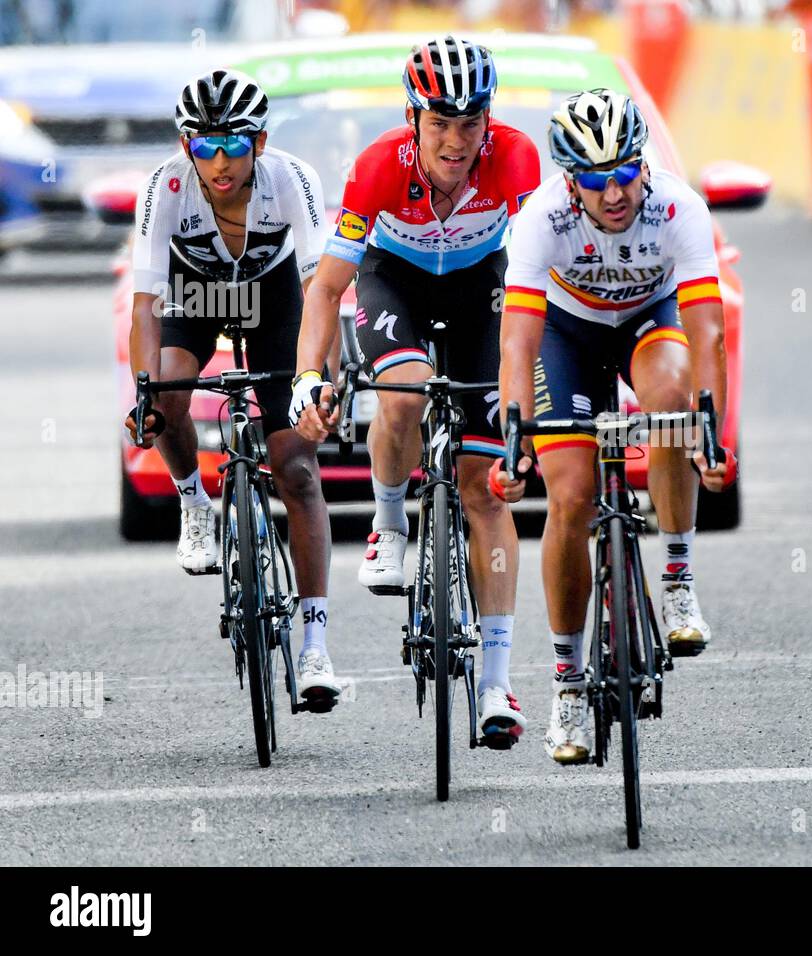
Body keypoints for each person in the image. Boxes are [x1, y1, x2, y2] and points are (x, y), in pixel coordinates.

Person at [291, 36, 540, 746]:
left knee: (483, 487)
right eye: (440, 123)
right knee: (403, 394)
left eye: (471, 123)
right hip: (392, 279)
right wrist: (311, 373)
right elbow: (327, 288)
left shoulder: (515, 157)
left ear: (489, 119)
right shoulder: (376, 168)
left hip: (481, 286)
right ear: (413, 119)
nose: (457, 142)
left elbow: (535, 273)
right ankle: (391, 523)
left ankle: (496, 684)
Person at [493, 89, 733, 765]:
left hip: (647, 320)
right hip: (565, 335)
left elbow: (707, 329)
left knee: (670, 399)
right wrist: (514, 440)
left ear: (643, 165)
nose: (614, 191)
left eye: (625, 172)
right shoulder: (541, 218)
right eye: (595, 181)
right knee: (568, 496)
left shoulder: (679, 208)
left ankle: (679, 582)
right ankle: (568, 685)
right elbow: (516, 343)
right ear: (570, 180)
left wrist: (707, 433)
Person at [124, 70, 340, 704]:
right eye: (205, 145)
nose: (220, 162)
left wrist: (310, 381)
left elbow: (316, 291)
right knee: (165, 393)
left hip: (277, 302)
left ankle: (316, 647)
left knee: (295, 469)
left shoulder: (293, 181)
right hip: (194, 295)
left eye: (236, 145)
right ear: (185, 144)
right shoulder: (164, 187)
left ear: (262, 143)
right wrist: (144, 393)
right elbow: (145, 304)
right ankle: (195, 504)